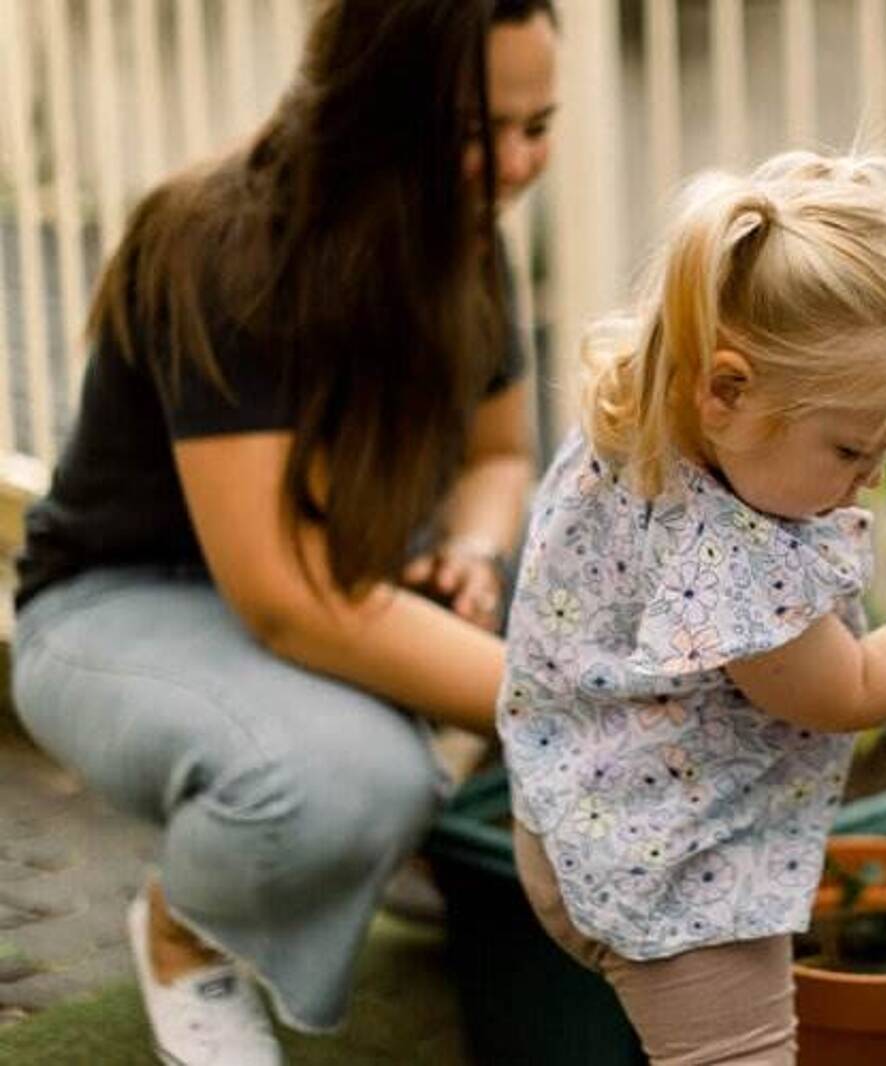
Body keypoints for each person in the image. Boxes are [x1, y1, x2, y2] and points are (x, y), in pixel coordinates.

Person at [8, 1, 557, 1062]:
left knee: (615, 580)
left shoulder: (464, 238)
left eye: (539, 125)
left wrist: (479, 552)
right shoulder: (223, 244)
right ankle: (185, 933)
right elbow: (284, 603)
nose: (516, 163)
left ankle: (420, 851)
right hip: (122, 604)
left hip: (336, 573)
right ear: (366, 105)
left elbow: (500, 459)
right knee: (348, 780)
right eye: (477, 128)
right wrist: (566, 705)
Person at [498, 148, 886, 1065]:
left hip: (575, 802)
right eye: (850, 450)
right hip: (678, 880)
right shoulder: (726, 558)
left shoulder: (681, 345)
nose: (872, 479)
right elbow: (853, 686)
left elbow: (836, 249)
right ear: (727, 390)